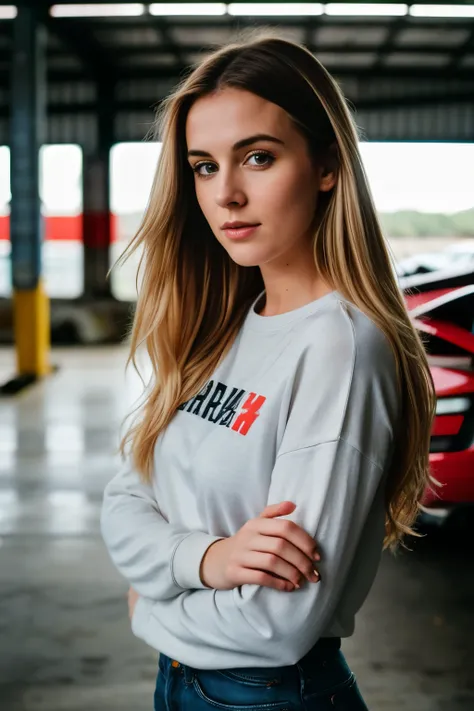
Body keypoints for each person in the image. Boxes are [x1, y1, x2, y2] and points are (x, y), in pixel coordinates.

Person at [100, 33, 436, 711]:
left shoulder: (340, 347)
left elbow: (277, 622)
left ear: (326, 165)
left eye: (257, 157)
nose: (226, 194)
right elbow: (125, 502)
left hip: (271, 694)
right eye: (202, 165)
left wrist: (149, 606)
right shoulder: (221, 327)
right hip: (185, 683)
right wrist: (207, 559)